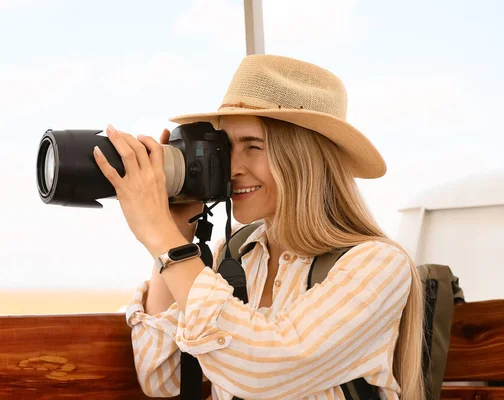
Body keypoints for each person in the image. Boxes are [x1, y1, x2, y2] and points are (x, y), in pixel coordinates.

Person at [93, 54, 424, 400]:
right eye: (225, 148)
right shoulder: (234, 255)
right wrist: (176, 231)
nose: (232, 167)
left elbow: (267, 369)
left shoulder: (377, 266)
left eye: (253, 146)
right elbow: (164, 379)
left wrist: (161, 237)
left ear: (304, 157)